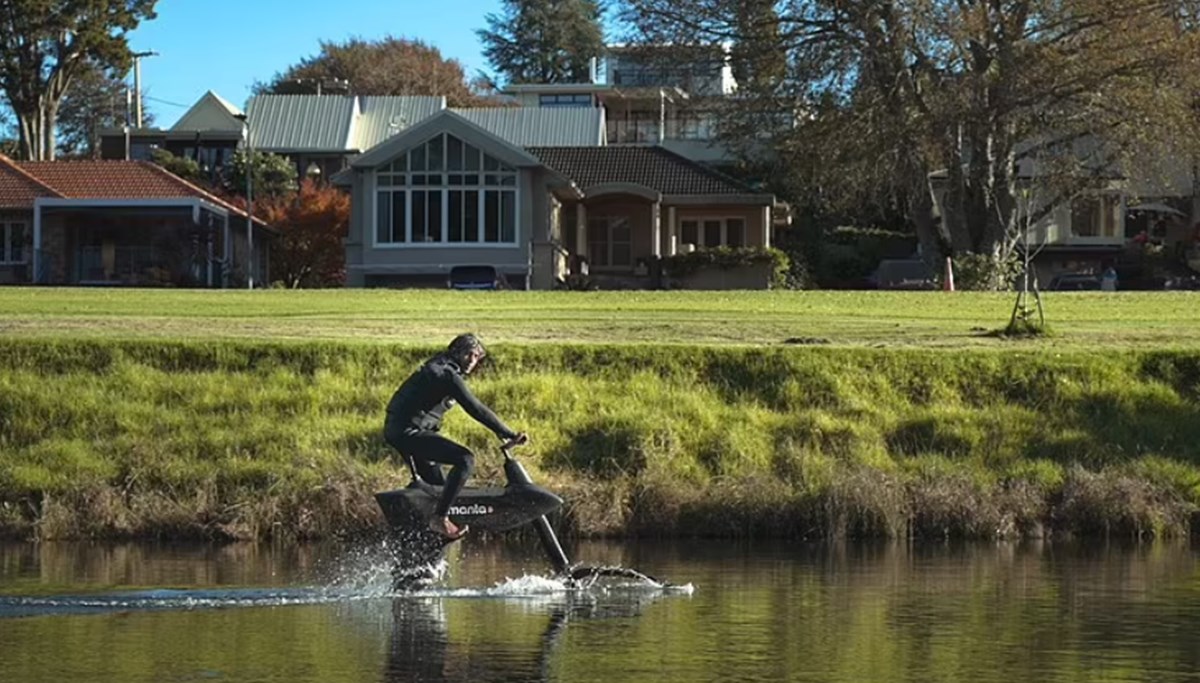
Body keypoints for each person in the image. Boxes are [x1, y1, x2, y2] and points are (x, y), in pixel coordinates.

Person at [384, 334, 527, 539]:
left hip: (402, 430)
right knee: (465, 459)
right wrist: (507, 432)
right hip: (407, 432)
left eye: (477, 356)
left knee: (442, 492)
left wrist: (501, 433)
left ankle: (422, 560)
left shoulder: (442, 366)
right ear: (456, 352)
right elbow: (475, 408)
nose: (472, 360)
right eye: (469, 354)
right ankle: (439, 519)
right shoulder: (446, 373)